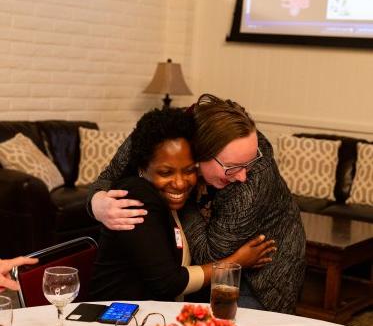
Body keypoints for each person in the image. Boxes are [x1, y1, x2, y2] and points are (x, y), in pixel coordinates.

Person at [88, 95, 306, 313]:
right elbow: (109, 176)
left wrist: (180, 195)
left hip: (259, 277)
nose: (242, 176)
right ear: (197, 153)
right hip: (194, 271)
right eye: (231, 167)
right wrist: (97, 203)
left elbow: (209, 256)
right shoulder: (166, 132)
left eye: (188, 170)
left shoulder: (252, 178)